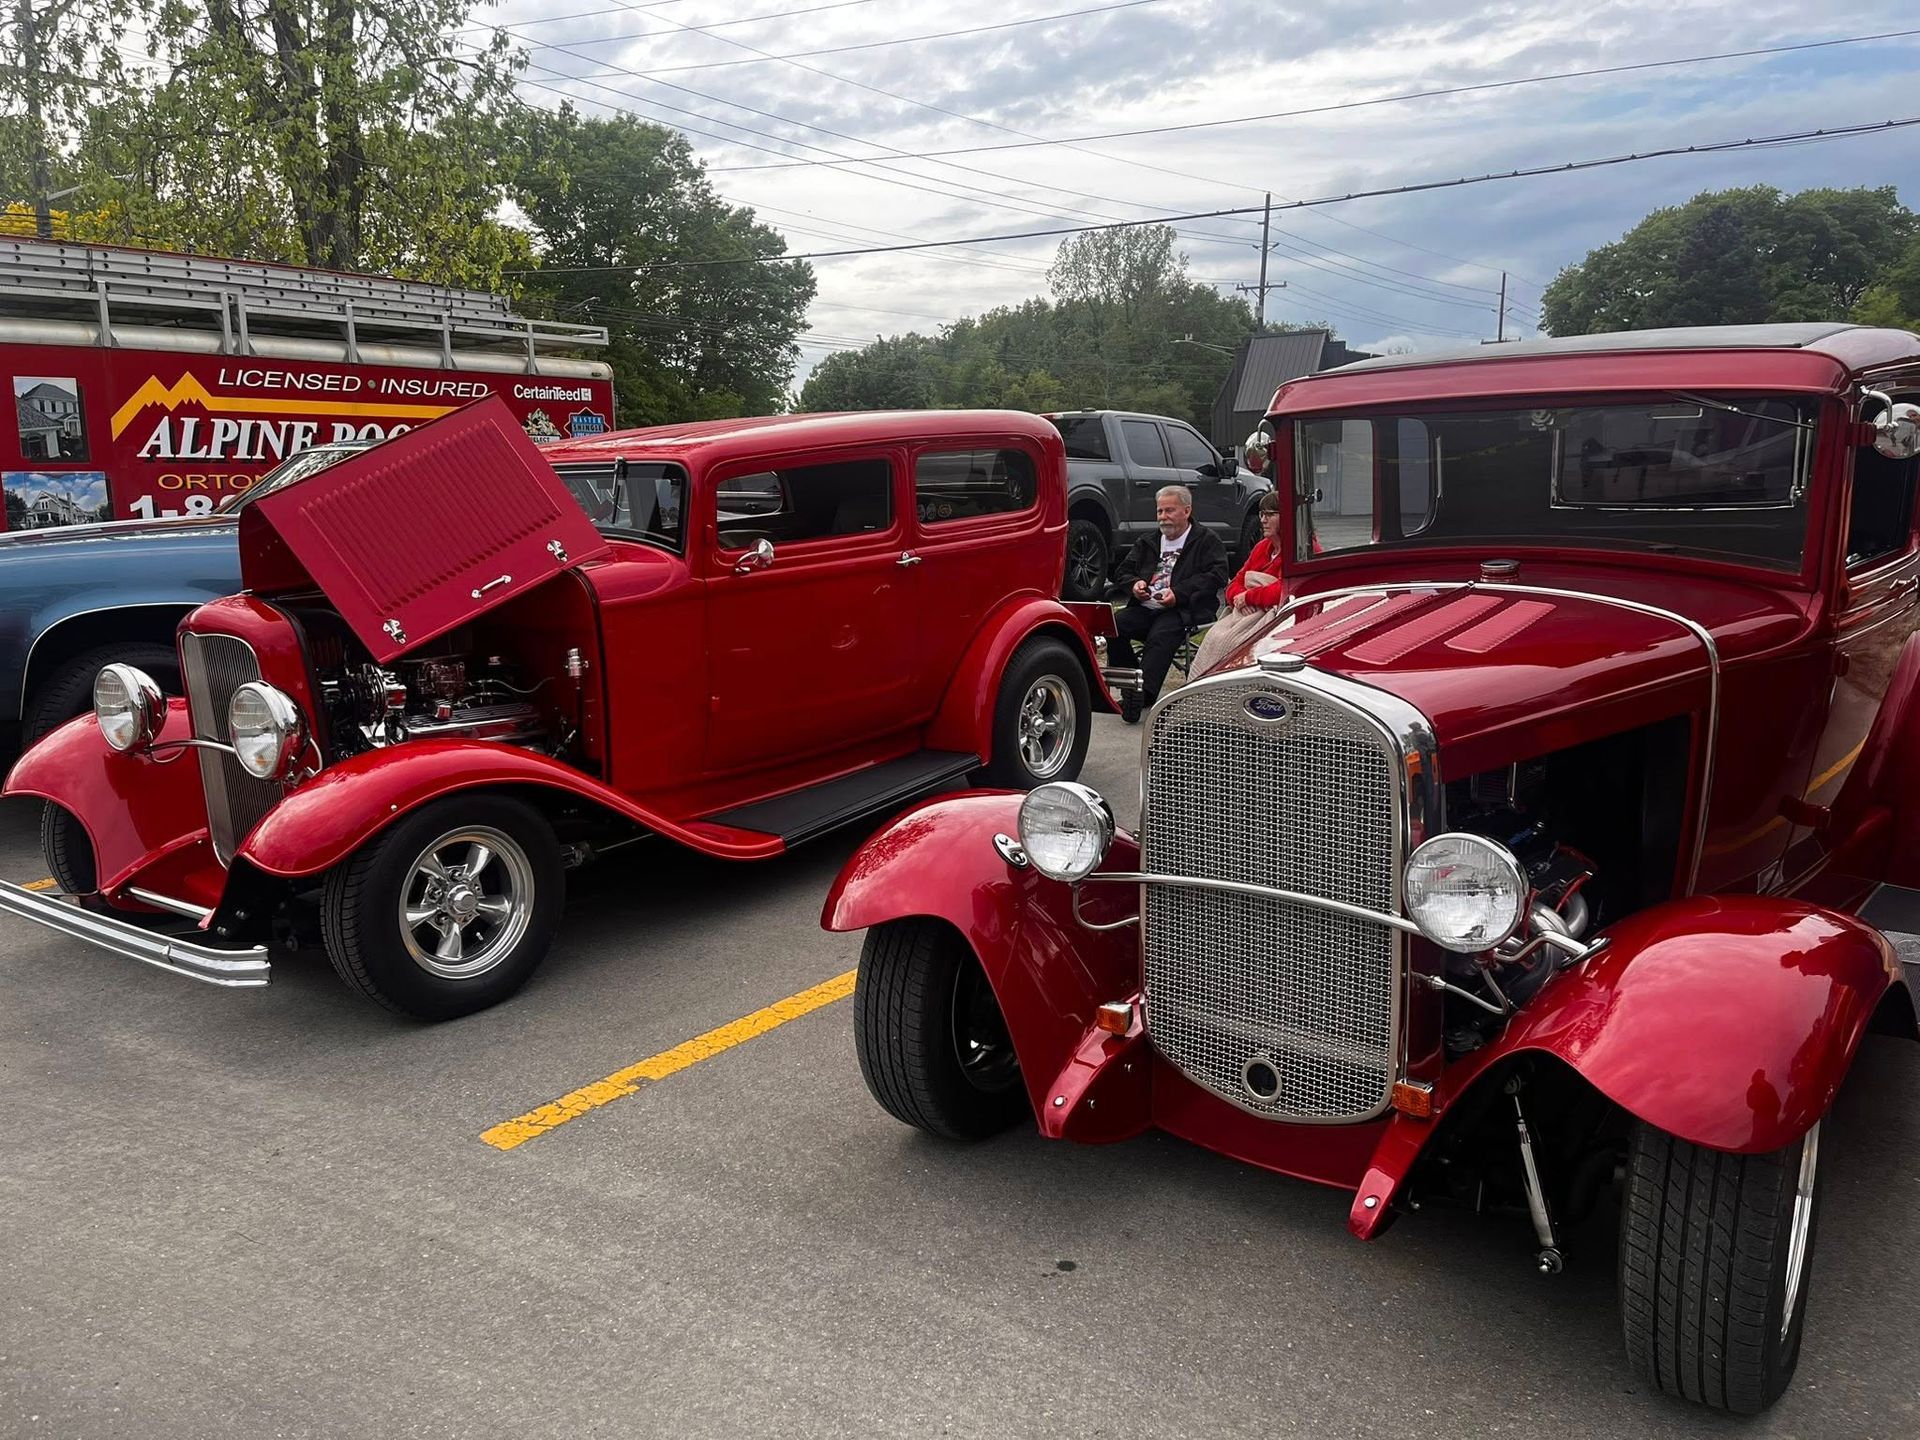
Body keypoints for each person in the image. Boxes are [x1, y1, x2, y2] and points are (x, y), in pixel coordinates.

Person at [1107, 484, 1229, 719]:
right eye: (1160, 512)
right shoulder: (1148, 541)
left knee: (1162, 633)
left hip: (1185, 608)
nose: (1163, 517)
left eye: (1169, 511)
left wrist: (1179, 593)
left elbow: (1217, 575)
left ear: (1186, 510)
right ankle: (1132, 686)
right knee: (1114, 625)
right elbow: (1122, 572)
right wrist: (1135, 585)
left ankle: (1144, 695)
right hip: (1145, 606)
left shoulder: (1205, 540)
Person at [1225, 489, 1287, 613]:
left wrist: (1248, 597)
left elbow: (1286, 589)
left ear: (1286, 515)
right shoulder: (1261, 547)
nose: (1263, 520)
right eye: (1262, 514)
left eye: (1269, 514)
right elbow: (1235, 583)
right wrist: (1241, 599)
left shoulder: (1301, 550)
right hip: (1251, 612)